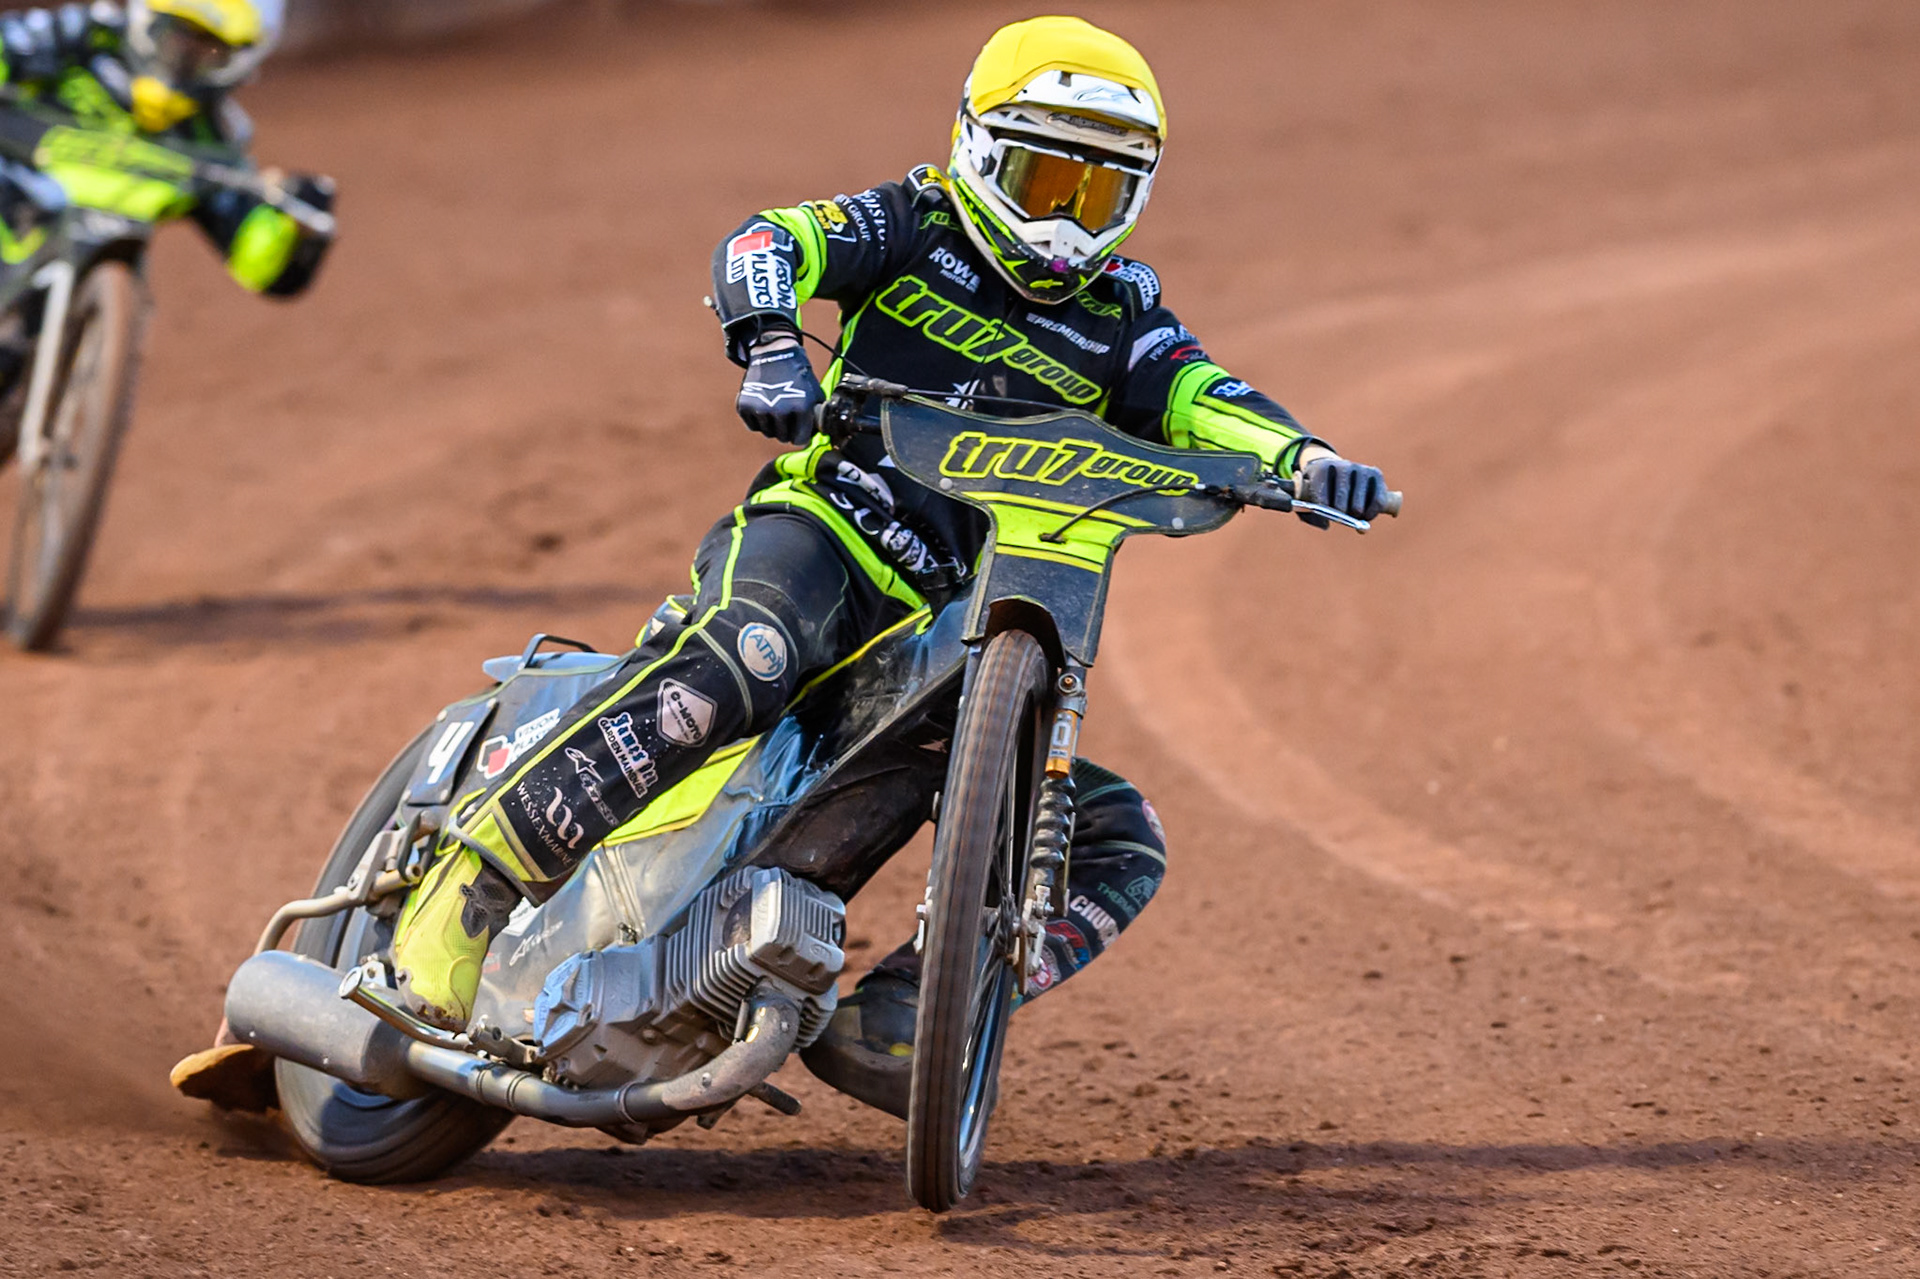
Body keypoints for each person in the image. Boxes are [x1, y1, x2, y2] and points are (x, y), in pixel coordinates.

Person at [386, 15, 1391, 1117]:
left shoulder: (1123, 318)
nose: (1060, 218)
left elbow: (1208, 398)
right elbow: (770, 241)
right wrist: (772, 345)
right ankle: (465, 891)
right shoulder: (914, 224)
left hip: (951, 621)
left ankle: (900, 1012)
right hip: (827, 531)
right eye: (1040, 175)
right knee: (742, 660)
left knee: (1119, 838)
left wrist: (1305, 456)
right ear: (975, 146)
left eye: (1093, 194)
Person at [0, 0, 332, 418]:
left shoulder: (214, 139)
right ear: (146, 21)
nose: (186, 58)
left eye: (212, 53)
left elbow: (259, 259)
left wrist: (297, 223)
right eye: (178, 37)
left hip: (94, 262)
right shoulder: (83, 38)